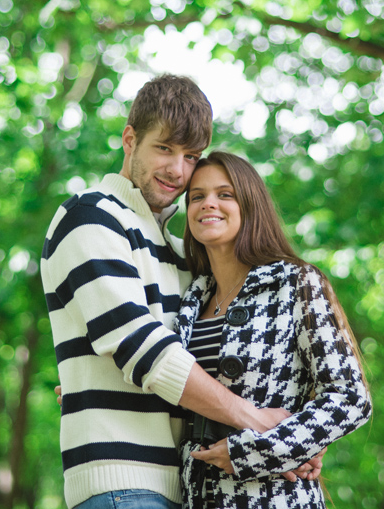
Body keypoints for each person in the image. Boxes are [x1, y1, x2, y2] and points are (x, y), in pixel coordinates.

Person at [41, 76, 311, 509]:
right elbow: (142, 350)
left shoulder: (185, 252)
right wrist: (259, 423)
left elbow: (223, 359)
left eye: (191, 156)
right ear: (130, 139)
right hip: (122, 483)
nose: (178, 171)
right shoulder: (90, 217)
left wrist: (299, 439)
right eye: (164, 148)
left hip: (191, 487)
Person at [176, 151, 372, 509]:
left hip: (277, 498)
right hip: (196, 497)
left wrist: (265, 451)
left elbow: (350, 398)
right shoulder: (190, 297)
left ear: (250, 205)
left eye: (225, 194)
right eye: (196, 196)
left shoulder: (297, 282)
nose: (208, 204)